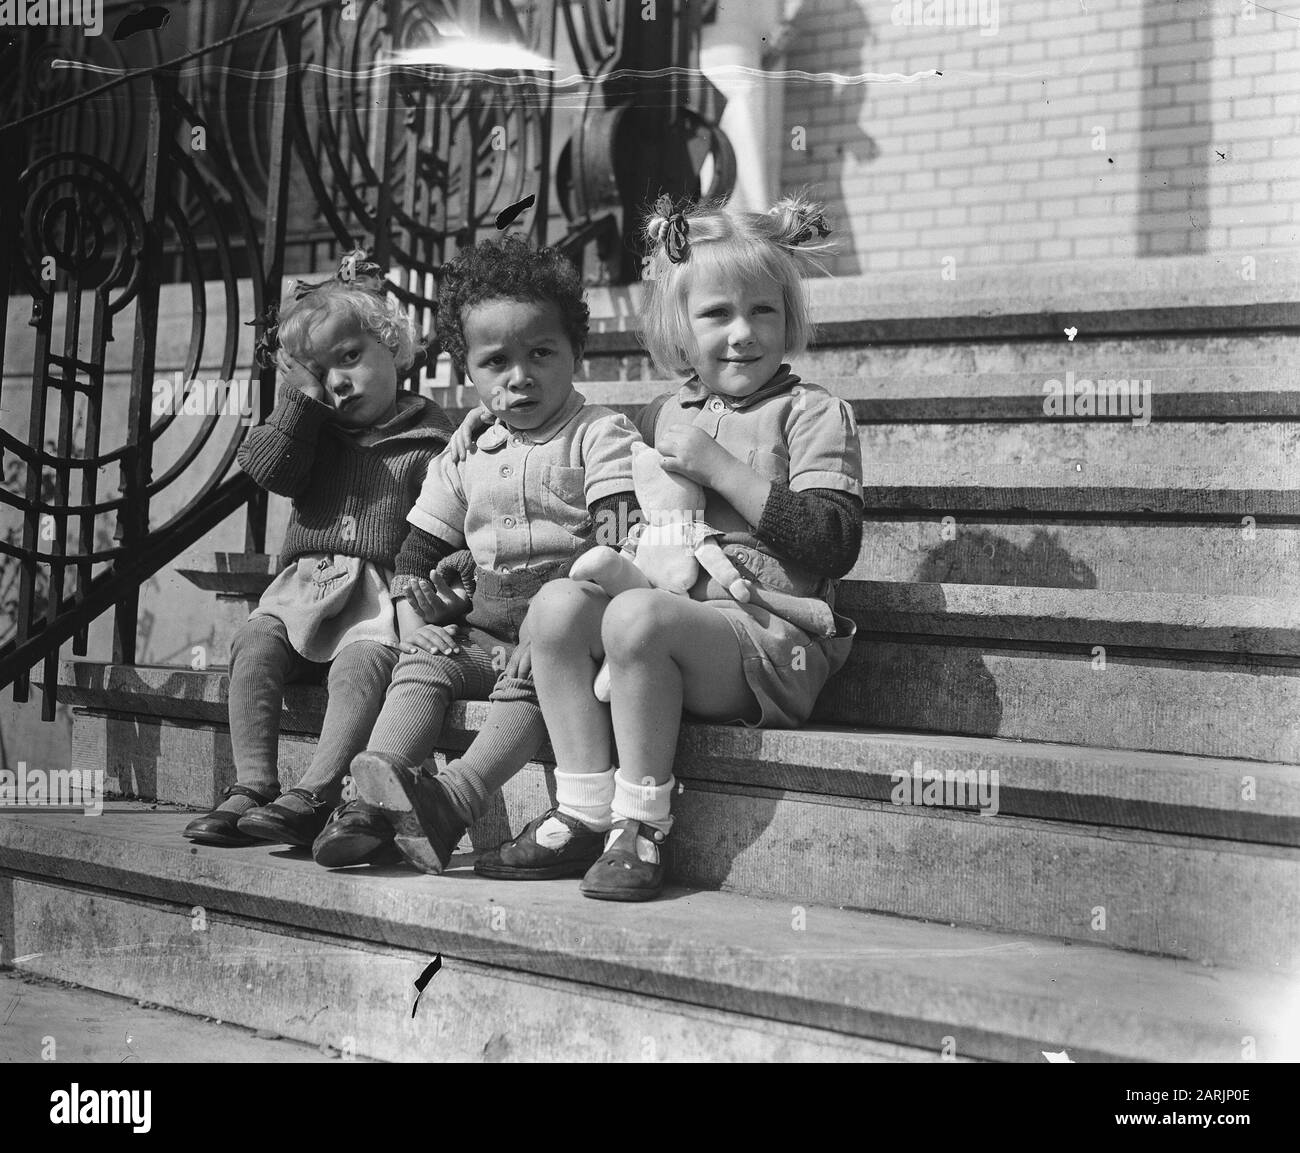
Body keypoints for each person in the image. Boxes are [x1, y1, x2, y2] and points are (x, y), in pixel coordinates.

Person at [473, 193, 864, 901]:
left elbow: (832, 542)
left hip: (766, 639)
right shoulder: (661, 411)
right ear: (680, 330)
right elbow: (631, 524)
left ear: (789, 317)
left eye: (763, 311)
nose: (743, 333)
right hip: (669, 613)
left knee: (636, 618)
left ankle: (642, 824)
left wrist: (719, 466)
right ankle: (585, 808)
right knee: (560, 604)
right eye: (717, 313)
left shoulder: (812, 413)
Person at [338, 235, 642, 875]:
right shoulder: (467, 451)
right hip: (480, 629)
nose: (520, 376)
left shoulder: (600, 433)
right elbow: (416, 552)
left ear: (575, 352)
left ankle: (453, 801)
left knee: (528, 692)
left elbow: (620, 538)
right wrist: (419, 626)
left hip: (562, 639)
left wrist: (561, 630)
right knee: (420, 670)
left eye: (540, 353)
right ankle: (374, 798)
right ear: (467, 371)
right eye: (496, 362)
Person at [183, 251, 453, 855]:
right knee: (252, 646)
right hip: (302, 586)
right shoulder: (311, 432)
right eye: (321, 373)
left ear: (393, 346)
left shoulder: (432, 436)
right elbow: (264, 468)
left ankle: (314, 792)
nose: (339, 381)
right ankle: (252, 785)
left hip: (375, 595)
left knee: (361, 672)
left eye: (350, 358)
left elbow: (441, 523)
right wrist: (299, 399)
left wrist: (420, 598)